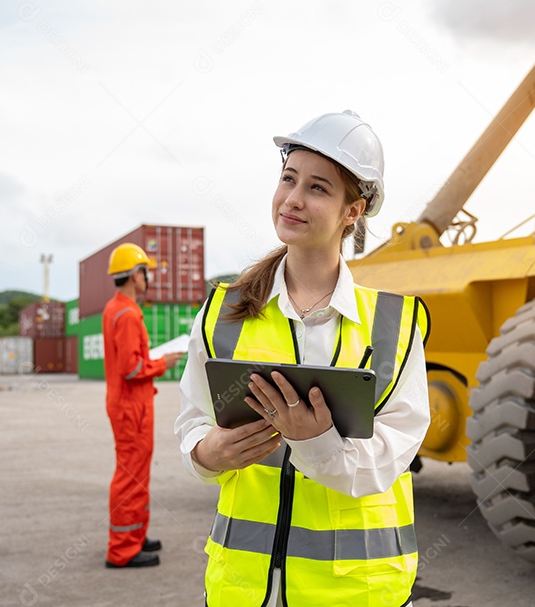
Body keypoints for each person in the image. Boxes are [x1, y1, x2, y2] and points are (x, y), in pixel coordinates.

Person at [175, 111, 430, 606]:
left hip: (355, 591)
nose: (292, 199)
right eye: (288, 179)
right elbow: (192, 423)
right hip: (242, 588)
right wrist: (207, 454)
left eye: (317, 188)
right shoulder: (223, 313)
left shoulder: (394, 325)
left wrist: (316, 443)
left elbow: (390, 459)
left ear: (353, 211)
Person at [102, 243, 183, 568]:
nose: (148, 277)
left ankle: (135, 534)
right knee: (130, 474)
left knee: (136, 472)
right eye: (145, 272)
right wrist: (163, 363)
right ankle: (122, 549)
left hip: (130, 404)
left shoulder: (116, 308)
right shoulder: (127, 314)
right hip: (131, 407)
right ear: (136, 275)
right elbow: (131, 368)